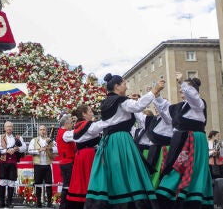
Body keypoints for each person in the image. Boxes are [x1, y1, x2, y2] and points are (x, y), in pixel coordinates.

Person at [84, 73, 165, 209]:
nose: (126, 86)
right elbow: (138, 106)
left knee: (112, 172)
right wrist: (154, 91)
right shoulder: (121, 101)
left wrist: (126, 99)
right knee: (128, 171)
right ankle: (129, 203)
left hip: (108, 141)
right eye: (124, 84)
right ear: (117, 86)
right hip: (121, 140)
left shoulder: (106, 102)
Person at [154, 72, 213, 208]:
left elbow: (193, 97)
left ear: (193, 90)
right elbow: (166, 114)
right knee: (175, 166)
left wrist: (182, 82)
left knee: (192, 168)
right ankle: (171, 193)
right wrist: (156, 94)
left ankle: (191, 196)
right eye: (181, 87)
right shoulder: (180, 107)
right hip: (179, 141)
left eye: (185, 87)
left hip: (194, 140)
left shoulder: (199, 104)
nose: (181, 89)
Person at [65, 105, 106, 209]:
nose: (92, 112)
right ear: (84, 114)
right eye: (90, 111)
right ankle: (89, 202)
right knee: (88, 179)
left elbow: (69, 136)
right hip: (88, 155)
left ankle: (80, 201)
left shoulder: (79, 125)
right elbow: (103, 125)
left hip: (81, 155)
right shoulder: (88, 125)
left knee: (81, 180)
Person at [0, 121, 27, 208]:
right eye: (7, 127)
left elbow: (24, 147)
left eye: (10, 127)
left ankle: (9, 202)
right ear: (4, 128)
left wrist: (18, 148)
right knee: (2, 181)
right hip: (3, 162)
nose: (9, 128)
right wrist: (6, 150)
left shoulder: (17, 138)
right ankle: (1, 202)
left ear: (12, 128)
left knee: (11, 182)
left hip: (13, 162)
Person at [28, 125, 57, 208]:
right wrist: (39, 150)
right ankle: (38, 202)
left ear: (46, 131)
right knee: (38, 184)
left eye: (44, 129)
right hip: (38, 165)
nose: (42, 131)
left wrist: (50, 148)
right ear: (38, 131)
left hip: (47, 164)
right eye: (41, 130)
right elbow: (29, 151)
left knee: (49, 184)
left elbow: (57, 149)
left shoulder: (50, 140)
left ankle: (49, 202)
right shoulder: (34, 140)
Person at [55, 114, 76, 209]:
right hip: (67, 162)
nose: (72, 125)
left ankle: (65, 205)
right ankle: (64, 205)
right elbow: (76, 134)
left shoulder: (63, 133)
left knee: (67, 184)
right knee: (67, 185)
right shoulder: (65, 133)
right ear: (67, 124)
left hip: (66, 162)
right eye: (71, 123)